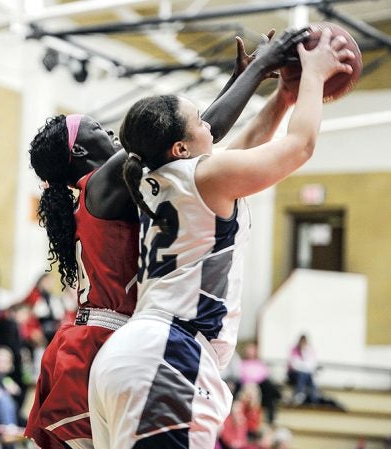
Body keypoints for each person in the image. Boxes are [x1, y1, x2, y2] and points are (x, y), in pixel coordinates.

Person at [25, 28, 309, 449]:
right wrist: (260, 70)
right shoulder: (100, 185)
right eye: (97, 128)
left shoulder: (113, 192)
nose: (107, 132)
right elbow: (183, 137)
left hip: (102, 342)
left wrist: (242, 81)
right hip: (112, 341)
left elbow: (191, 144)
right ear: (81, 154)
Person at [88, 28, 354, 449]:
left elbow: (246, 146)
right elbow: (300, 146)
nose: (209, 126)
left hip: (131, 356)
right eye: (199, 121)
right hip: (168, 355)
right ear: (179, 148)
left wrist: (284, 97)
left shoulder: (157, 179)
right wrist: (316, 77)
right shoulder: (202, 176)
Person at [240, 342, 281, 425]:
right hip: (248, 385)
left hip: (260, 384)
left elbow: (265, 374)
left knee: (268, 386)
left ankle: (274, 401)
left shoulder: (260, 363)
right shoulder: (243, 364)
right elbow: (242, 377)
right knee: (266, 389)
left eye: (252, 350)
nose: (250, 352)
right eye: (249, 350)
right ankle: (277, 395)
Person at [287, 334, 319, 405]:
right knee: (302, 375)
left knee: (308, 376)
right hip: (294, 373)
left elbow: (312, 364)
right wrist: (304, 366)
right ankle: (300, 394)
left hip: (305, 374)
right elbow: (295, 365)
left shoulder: (309, 350)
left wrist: (304, 365)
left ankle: (313, 396)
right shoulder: (295, 350)